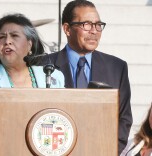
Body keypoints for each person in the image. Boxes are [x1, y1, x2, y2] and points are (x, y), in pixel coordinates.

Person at [40, 0, 132, 154]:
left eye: (98, 25)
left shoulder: (117, 67)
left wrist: (107, 151)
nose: (94, 31)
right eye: (87, 24)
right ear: (67, 29)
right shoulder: (43, 66)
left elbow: (124, 119)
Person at [0, 13, 64, 110]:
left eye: (14, 36)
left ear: (29, 44)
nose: (7, 41)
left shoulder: (53, 76)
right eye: (2, 37)